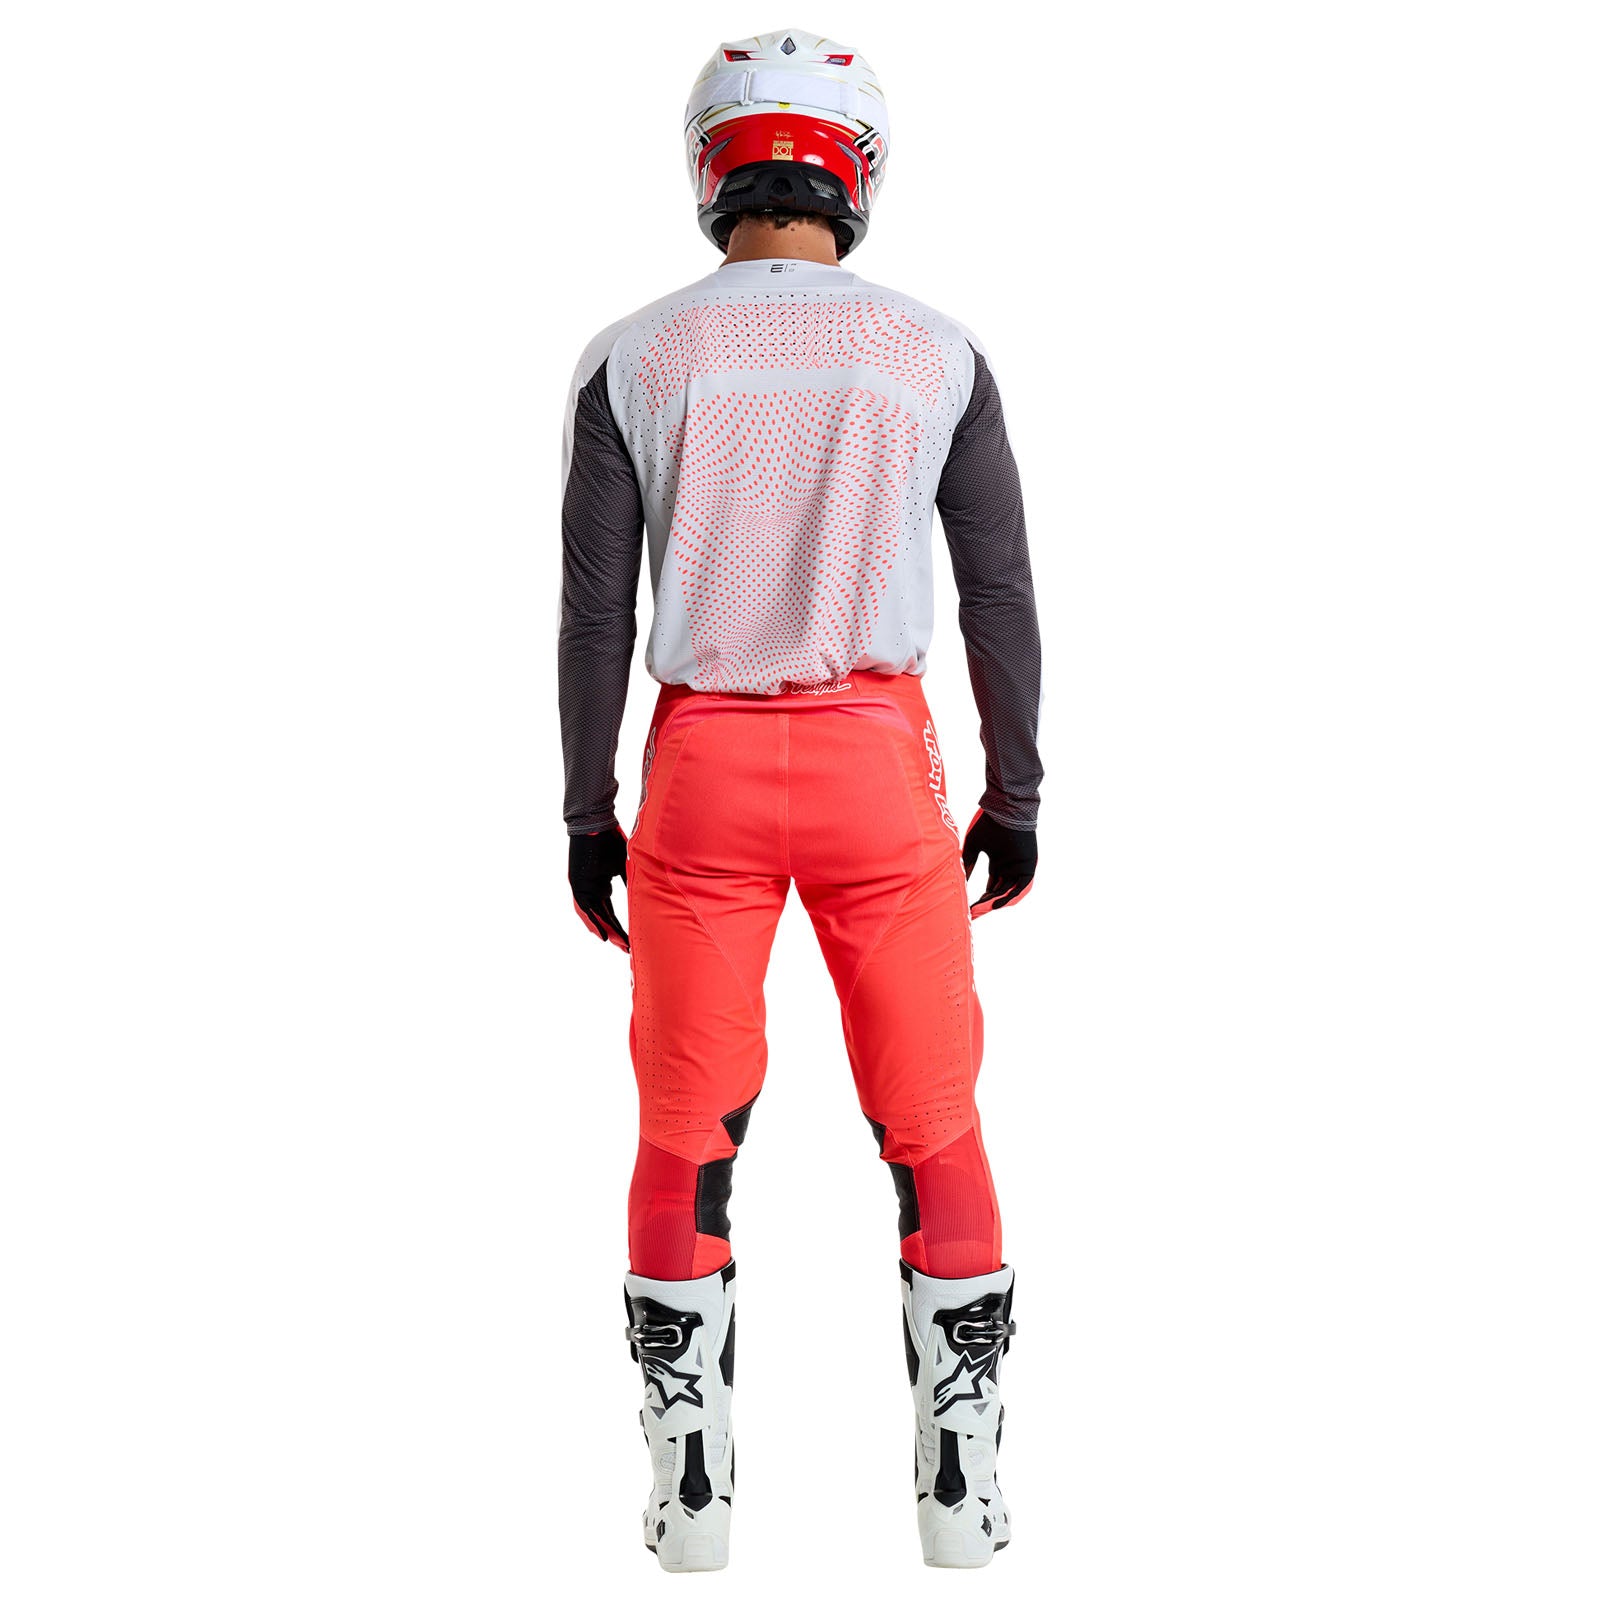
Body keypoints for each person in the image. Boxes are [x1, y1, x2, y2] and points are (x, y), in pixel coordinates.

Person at [558, 29, 1042, 1572]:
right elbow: (999, 596)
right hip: (878, 775)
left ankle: (687, 1500)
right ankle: (960, 1493)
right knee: (934, 1122)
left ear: (711, 165)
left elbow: (593, 616)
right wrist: (1017, 792)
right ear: (860, 169)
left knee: (682, 1131)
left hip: (698, 776)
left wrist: (585, 812)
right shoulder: (935, 351)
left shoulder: (632, 356)